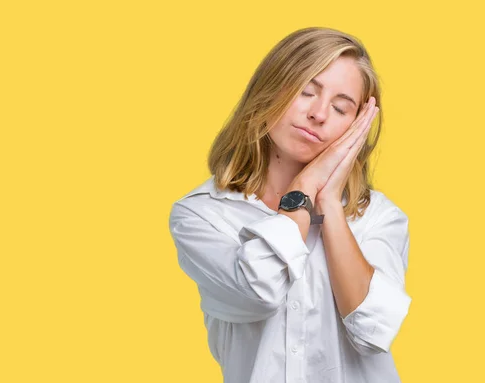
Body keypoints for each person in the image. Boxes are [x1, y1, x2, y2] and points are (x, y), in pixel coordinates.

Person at [168, 27, 412, 383]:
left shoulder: (378, 218)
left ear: (357, 124)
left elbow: (373, 331)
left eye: (340, 107)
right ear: (269, 91)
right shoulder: (202, 215)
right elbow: (257, 293)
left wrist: (328, 200)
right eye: (305, 91)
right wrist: (304, 190)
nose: (319, 113)